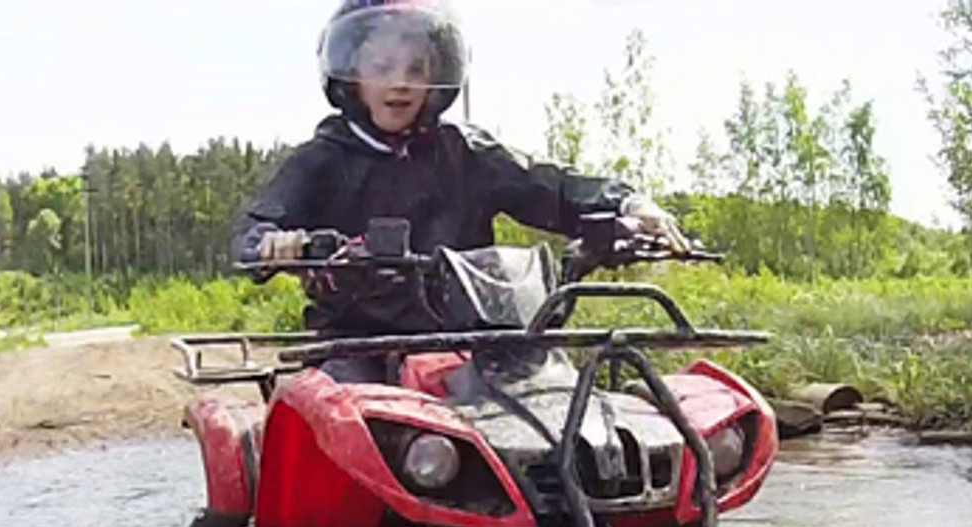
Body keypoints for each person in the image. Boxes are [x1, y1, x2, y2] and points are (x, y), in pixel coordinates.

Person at [233, 0, 689, 382]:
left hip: (481, 344)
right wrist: (277, 244)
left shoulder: (466, 151)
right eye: (382, 66)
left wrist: (627, 205)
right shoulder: (323, 158)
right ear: (350, 73)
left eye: (417, 67)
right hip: (358, 346)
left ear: (439, 75)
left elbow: (547, 186)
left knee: (562, 394)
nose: (401, 81)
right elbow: (253, 231)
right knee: (346, 413)